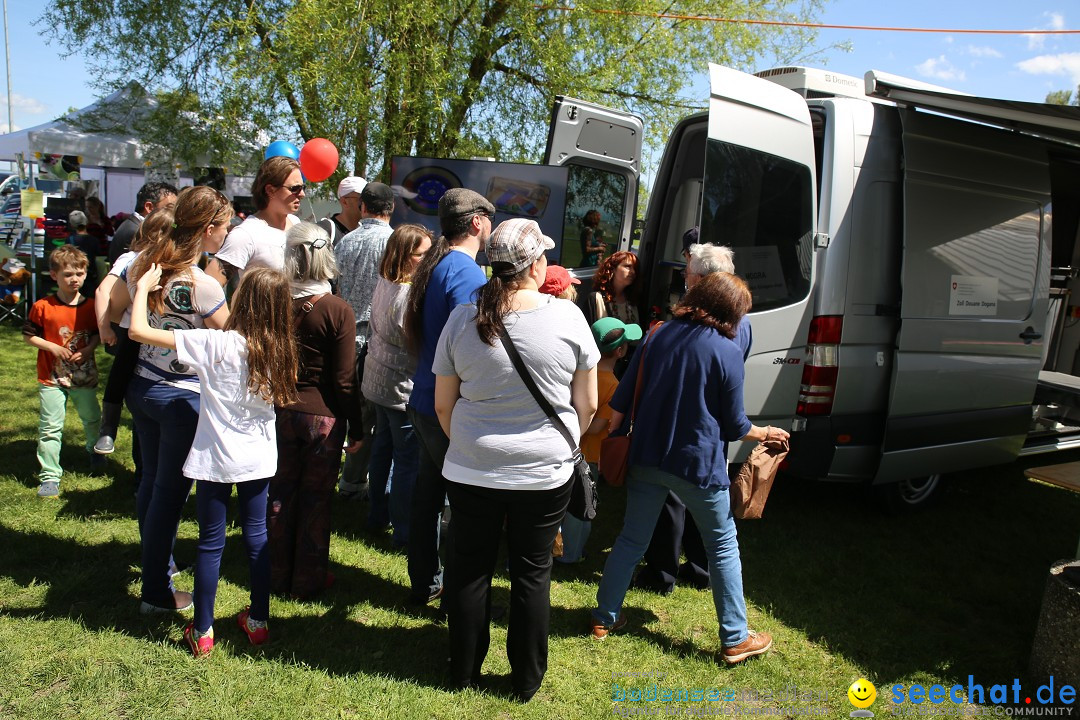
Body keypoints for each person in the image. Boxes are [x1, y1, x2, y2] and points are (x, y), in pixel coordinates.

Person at [433, 218, 598, 701]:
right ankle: (525, 681)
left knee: (470, 568)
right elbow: (586, 405)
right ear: (535, 265)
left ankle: (463, 672)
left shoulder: (463, 318)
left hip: (470, 467)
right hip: (544, 472)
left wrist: (471, 446)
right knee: (531, 573)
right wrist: (560, 447)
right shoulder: (568, 318)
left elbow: (444, 404)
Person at [589, 272, 786, 667]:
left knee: (631, 539)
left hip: (646, 456)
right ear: (730, 312)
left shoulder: (657, 335)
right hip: (697, 466)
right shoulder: (727, 351)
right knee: (723, 546)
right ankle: (734, 638)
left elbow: (624, 398)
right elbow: (735, 426)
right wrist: (767, 432)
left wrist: (612, 440)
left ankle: (603, 619)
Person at [129, 264, 297, 657]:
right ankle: (258, 621)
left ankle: (202, 630)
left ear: (243, 300)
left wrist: (141, 290)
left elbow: (139, 331)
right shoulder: (282, 349)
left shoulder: (214, 343)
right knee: (257, 539)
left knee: (211, 544)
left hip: (216, 459)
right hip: (257, 458)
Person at [113, 186, 232, 614]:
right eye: (225, 227)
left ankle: (156, 567)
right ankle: (156, 593)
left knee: (150, 484)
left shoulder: (143, 264)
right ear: (208, 230)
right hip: (181, 400)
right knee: (168, 495)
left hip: (142, 387)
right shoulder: (201, 284)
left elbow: (120, 311)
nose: (227, 234)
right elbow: (234, 338)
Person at [634, 241, 750, 595]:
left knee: (671, 498)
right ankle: (700, 569)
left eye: (688, 272)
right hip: (714, 429)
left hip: (681, 428)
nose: (684, 277)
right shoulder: (741, 321)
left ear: (702, 279)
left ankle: (662, 573)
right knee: (707, 502)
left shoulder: (689, 324)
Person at [403, 187, 495, 605]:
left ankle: (425, 581)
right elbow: (471, 345)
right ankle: (456, 591)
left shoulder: (441, 264)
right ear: (477, 222)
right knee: (461, 503)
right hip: (448, 408)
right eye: (488, 219)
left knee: (427, 498)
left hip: (425, 399)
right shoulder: (467, 273)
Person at [269, 222, 365, 599]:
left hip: (278, 410)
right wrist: (357, 427)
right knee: (315, 500)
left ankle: (275, 574)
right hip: (321, 418)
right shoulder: (337, 309)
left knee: (280, 494)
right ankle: (307, 580)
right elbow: (344, 380)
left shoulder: (273, 299)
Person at [362, 224, 433, 545]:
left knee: (382, 449)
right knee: (406, 461)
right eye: (424, 254)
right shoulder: (407, 295)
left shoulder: (385, 281)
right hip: (400, 385)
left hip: (379, 381)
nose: (430, 259)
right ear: (405, 257)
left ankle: (377, 516)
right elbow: (415, 342)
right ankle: (403, 531)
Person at [93, 210, 174, 463]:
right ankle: (108, 428)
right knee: (121, 372)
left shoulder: (177, 261)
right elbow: (102, 291)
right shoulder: (131, 258)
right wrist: (105, 327)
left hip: (162, 337)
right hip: (134, 333)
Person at [559, 316, 641, 565]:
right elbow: (595, 426)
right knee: (582, 507)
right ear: (620, 351)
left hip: (563, 450)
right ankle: (571, 554)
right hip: (588, 456)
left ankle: (559, 548)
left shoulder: (576, 373)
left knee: (562, 505)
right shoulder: (614, 386)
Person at [23, 245, 102, 498]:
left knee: (91, 418)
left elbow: (98, 334)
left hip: (84, 376)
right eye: (68, 274)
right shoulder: (42, 306)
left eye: (79, 273)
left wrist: (90, 348)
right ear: (54, 275)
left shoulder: (92, 307)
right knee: (50, 427)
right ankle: (49, 476)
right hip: (52, 377)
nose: (75, 279)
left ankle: (94, 452)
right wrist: (52, 347)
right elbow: (29, 336)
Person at [335, 181, 396, 501]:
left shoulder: (345, 242)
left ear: (362, 207)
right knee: (372, 419)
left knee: (346, 415)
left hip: (344, 338)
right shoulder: (394, 242)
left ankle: (341, 481)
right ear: (392, 208)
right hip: (375, 341)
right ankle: (359, 486)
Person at [208, 156, 303, 284]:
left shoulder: (296, 222)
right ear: (270, 190)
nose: (302, 194)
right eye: (295, 189)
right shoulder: (246, 234)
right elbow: (210, 284)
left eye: (303, 188)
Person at [107, 181, 179, 266]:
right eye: (170, 207)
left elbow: (174, 225)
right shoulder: (137, 231)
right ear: (149, 207)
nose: (174, 213)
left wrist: (177, 226)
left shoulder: (137, 225)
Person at [318, 175, 367, 245]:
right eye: (361, 199)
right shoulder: (325, 230)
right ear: (344, 202)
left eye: (368, 199)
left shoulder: (364, 231)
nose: (366, 203)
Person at [67, 210, 100, 296]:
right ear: (86, 222)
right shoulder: (94, 240)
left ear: (72, 225)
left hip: (75, 279)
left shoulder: (69, 240)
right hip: (91, 278)